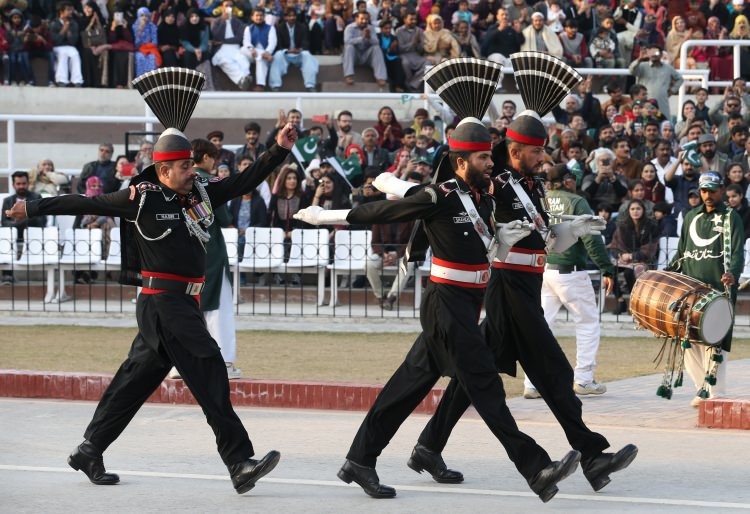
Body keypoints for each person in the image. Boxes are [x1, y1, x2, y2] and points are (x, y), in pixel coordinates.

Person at [4, 76, 298, 492]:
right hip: (163, 302)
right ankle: (238, 461)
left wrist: (279, 148)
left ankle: (89, 449)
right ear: (162, 168)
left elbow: (242, 183)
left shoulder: (199, 192)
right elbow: (82, 201)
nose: (191, 170)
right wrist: (30, 207)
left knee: (135, 380)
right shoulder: (140, 197)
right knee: (209, 366)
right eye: (183, 165)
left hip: (179, 305)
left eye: (192, 163)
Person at [295, 117, 583, 503]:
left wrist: (508, 239)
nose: (490, 164)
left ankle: (359, 460)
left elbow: (485, 248)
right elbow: (383, 212)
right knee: (485, 385)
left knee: (407, 385)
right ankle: (536, 468)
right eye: (482, 158)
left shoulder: (484, 198)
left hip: (464, 304)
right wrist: (325, 217)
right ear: (460, 161)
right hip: (444, 304)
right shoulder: (440, 196)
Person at [407, 105, 636, 498]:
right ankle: (593, 455)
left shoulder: (532, 185)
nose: (544, 158)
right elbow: (459, 206)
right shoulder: (495, 184)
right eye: (536, 151)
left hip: (528, 285)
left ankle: (428, 447)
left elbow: (541, 238)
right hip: (508, 288)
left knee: (473, 377)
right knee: (554, 373)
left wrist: (572, 229)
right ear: (515, 152)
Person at [522, 165, 615, 399]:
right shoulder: (576, 201)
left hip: (543, 270)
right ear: (567, 181)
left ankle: (532, 383)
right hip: (571, 272)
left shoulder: (537, 200)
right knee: (587, 323)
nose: (575, 182)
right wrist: (607, 268)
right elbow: (591, 237)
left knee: (540, 326)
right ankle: (583, 379)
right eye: (573, 178)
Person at [665, 172, 744, 407]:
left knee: (715, 340)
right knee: (688, 340)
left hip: (720, 286)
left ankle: (716, 392)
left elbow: (738, 251)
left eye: (712, 190)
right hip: (691, 288)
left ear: (721, 189)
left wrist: (734, 273)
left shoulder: (731, 217)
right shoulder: (690, 216)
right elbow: (682, 251)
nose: (708, 195)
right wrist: (667, 274)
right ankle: (702, 388)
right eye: (704, 191)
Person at [608, 198, 660, 315]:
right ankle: (620, 301)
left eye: (638, 208)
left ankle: (634, 302)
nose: (635, 211)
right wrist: (621, 255)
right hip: (625, 260)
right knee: (609, 271)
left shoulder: (651, 226)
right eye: (632, 209)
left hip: (644, 260)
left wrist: (632, 255)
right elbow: (615, 246)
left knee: (628, 273)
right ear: (628, 211)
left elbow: (651, 248)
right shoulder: (623, 226)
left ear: (643, 210)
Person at [1, 171, 47, 285]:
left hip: (32, 234)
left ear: (28, 183)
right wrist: (22, 221)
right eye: (18, 184)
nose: (21, 186)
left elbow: (42, 220)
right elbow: (4, 222)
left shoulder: (36, 198)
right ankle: (7, 275)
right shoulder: (8, 201)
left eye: (24, 183)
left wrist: (20, 220)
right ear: (13, 185)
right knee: (6, 236)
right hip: (14, 235)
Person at [628, 44, 683, 121]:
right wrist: (639, 59)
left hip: (662, 102)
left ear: (661, 54)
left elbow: (680, 79)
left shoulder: (668, 68)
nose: (653, 54)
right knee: (644, 122)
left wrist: (672, 90)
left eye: (656, 52)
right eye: (651, 52)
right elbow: (631, 71)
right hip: (644, 102)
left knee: (664, 121)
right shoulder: (642, 66)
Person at [269, 8, 319, 92]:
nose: (292, 18)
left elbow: (306, 42)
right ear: (285, 18)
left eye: (294, 16)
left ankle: (310, 85)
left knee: (307, 55)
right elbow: (278, 45)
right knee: (277, 55)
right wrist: (287, 50)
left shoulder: (302, 27)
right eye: (290, 16)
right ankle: (275, 85)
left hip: (298, 53)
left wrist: (300, 49)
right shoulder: (279, 28)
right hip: (285, 53)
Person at [211, 0, 253, 91]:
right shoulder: (217, 21)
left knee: (243, 60)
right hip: (221, 49)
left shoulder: (237, 22)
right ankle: (242, 79)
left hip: (235, 48)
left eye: (230, 6)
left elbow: (239, 38)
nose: (228, 8)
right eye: (226, 6)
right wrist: (223, 21)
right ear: (222, 8)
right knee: (225, 62)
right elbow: (216, 36)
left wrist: (223, 41)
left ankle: (244, 78)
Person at [342, 11, 387, 88]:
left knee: (376, 48)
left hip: (366, 56)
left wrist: (369, 37)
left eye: (366, 19)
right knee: (349, 47)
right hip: (354, 56)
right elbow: (347, 41)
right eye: (362, 19)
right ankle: (348, 75)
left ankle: (380, 77)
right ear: (356, 19)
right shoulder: (349, 28)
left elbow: (376, 42)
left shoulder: (370, 28)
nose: (364, 21)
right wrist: (362, 38)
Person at [50, 0, 84, 87]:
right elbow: (54, 40)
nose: (71, 12)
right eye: (68, 10)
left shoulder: (74, 24)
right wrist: (63, 31)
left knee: (75, 54)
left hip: (69, 46)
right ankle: (61, 80)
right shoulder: (54, 23)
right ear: (61, 12)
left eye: (71, 10)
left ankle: (77, 81)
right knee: (63, 54)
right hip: (58, 47)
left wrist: (69, 33)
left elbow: (74, 41)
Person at [242, 7, 277, 91]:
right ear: (252, 17)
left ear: (264, 16)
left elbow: (273, 42)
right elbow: (246, 41)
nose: (259, 17)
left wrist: (267, 52)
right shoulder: (248, 28)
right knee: (242, 50)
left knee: (261, 58)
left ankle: (260, 85)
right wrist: (251, 48)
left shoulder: (270, 28)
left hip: (265, 54)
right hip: (251, 53)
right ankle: (244, 78)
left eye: (261, 15)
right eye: (257, 15)